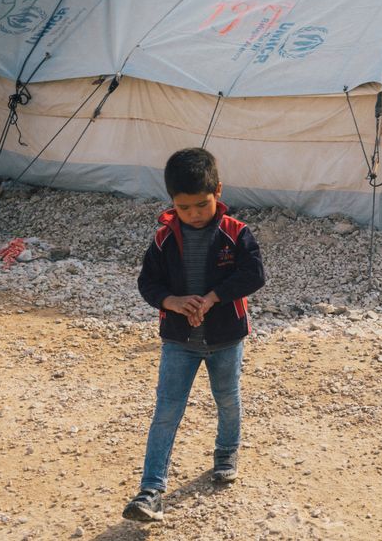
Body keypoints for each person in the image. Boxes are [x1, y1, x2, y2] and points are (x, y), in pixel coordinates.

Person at [122, 148, 265, 523]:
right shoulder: (163, 238)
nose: (194, 214)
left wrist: (214, 297)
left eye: (201, 205)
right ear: (172, 202)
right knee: (167, 411)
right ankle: (150, 491)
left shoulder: (237, 233)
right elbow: (147, 282)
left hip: (225, 339)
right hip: (178, 340)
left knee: (227, 400)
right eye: (184, 208)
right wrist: (171, 300)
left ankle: (225, 455)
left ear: (217, 190)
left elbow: (254, 275)